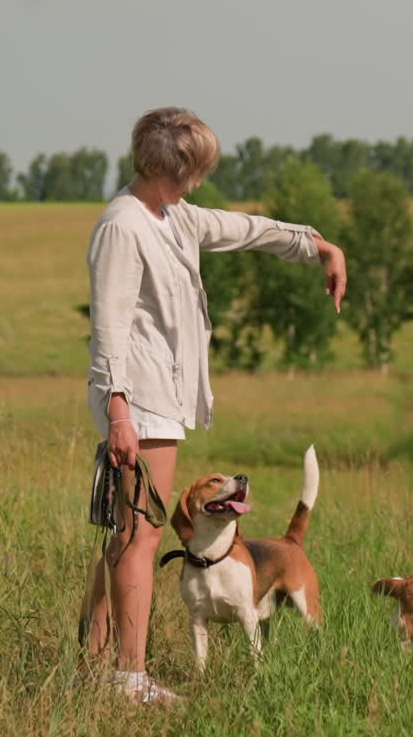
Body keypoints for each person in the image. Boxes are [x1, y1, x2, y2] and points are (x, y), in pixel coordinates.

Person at [81, 106, 347, 704]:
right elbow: (109, 329)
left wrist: (317, 246)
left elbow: (244, 229)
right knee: (140, 536)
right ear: (169, 169)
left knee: (127, 534)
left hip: (155, 397)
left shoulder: (172, 215)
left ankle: (93, 665)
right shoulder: (123, 225)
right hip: (138, 398)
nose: (199, 182)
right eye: (193, 171)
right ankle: (129, 678)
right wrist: (119, 413)